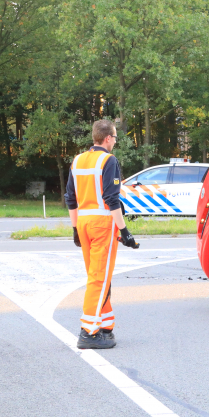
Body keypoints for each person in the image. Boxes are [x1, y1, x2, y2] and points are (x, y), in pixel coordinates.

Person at [64, 119, 139, 349]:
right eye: (115, 138)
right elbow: (111, 199)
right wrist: (124, 231)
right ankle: (88, 331)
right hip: (103, 224)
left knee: (97, 275)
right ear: (107, 138)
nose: (115, 142)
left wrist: (75, 228)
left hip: (85, 224)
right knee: (100, 278)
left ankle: (105, 326)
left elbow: (70, 198)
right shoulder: (109, 160)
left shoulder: (78, 160)